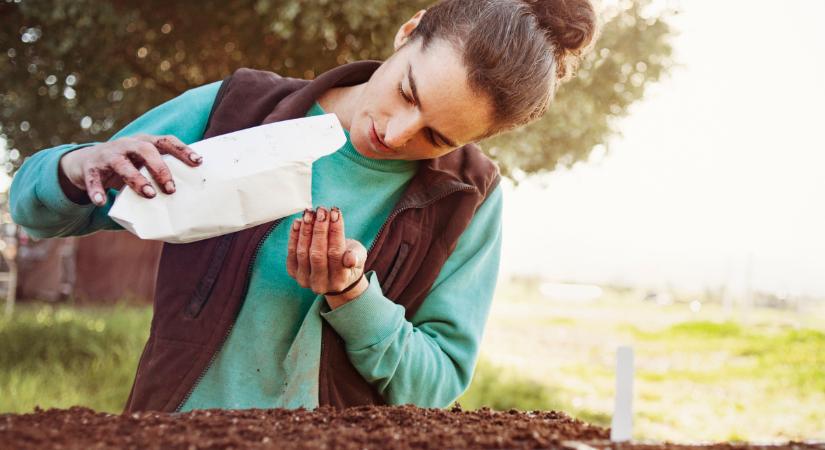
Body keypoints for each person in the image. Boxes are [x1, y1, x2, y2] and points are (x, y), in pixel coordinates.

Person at [9, 0, 598, 411]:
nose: (395, 133)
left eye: (437, 137)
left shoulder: (471, 200)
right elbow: (33, 211)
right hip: (174, 431)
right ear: (408, 30)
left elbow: (436, 385)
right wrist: (75, 165)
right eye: (407, 92)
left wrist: (353, 296)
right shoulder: (236, 108)